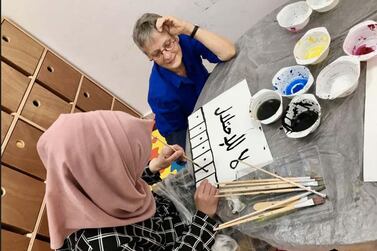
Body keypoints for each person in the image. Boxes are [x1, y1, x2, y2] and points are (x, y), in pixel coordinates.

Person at [36, 111, 219, 250]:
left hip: (164, 215)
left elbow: (115, 183)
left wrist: (153, 166)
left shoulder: (84, 187)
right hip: (184, 237)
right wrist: (203, 218)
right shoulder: (105, 244)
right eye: (132, 159)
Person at [133, 13, 236, 148]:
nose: (168, 56)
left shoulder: (184, 40)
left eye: (168, 44)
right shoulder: (160, 95)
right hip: (190, 127)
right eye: (157, 53)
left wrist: (187, 28)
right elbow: (179, 139)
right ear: (149, 57)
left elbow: (229, 52)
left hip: (210, 94)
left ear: (174, 36)